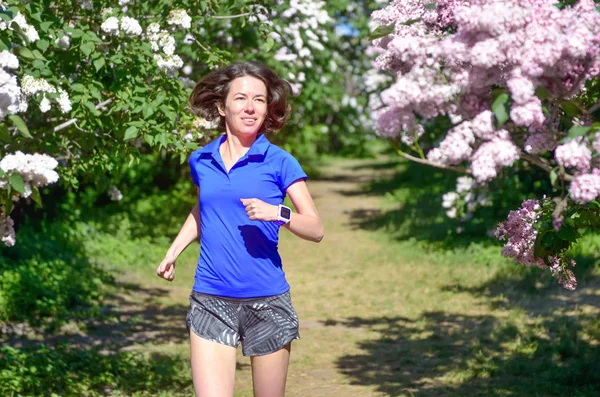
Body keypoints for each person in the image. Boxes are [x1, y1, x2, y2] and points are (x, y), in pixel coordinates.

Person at [156, 61, 324, 397]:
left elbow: (316, 228)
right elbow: (205, 208)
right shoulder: (201, 160)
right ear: (222, 106)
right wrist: (173, 251)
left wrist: (278, 213)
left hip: (267, 302)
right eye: (242, 98)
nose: (250, 107)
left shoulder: (280, 161)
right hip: (210, 298)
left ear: (267, 109)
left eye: (260, 100)